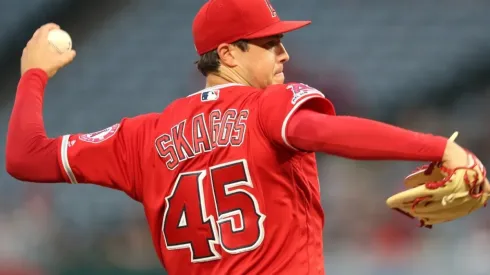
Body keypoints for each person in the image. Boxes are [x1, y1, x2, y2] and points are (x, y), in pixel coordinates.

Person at [5, 0, 485, 274]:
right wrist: (441, 146)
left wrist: (33, 75)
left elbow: (25, 157)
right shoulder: (268, 106)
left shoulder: (141, 138)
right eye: (271, 43)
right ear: (229, 54)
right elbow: (320, 130)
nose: (285, 55)